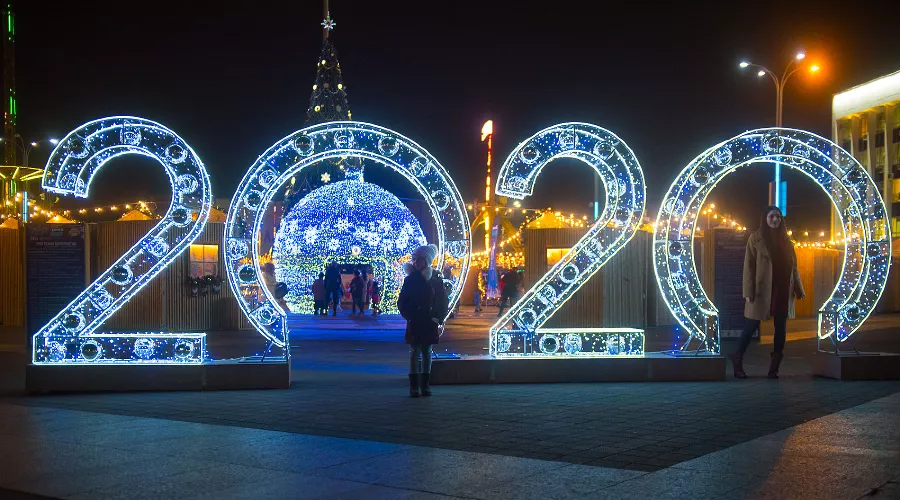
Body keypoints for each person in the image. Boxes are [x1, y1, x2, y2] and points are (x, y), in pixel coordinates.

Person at [729, 205, 805, 379]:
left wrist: (799, 288)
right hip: (762, 289)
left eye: (778, 217)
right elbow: (748, 266)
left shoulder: (787, 240)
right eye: (772, 216)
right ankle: (737, 357)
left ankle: (774, 368)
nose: (775, 220)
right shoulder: (755, 238)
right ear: (765, 218)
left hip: (783, 288)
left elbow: (794, 267)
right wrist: (748, 290)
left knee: (781, 327)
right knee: (751, 325)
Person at [398, 244, 449, 397]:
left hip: (429, 321)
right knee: (414, 352)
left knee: (427, 351)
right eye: (414, 260)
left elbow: (442, 301)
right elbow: (402, 301)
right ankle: (414, 386)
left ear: (426, 261)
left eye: (418, 260)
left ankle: (425, 385)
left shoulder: (435, 280)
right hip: (415, 320)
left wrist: (437, 318)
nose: (415, 263)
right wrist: (410, 315)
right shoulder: (410, 280)